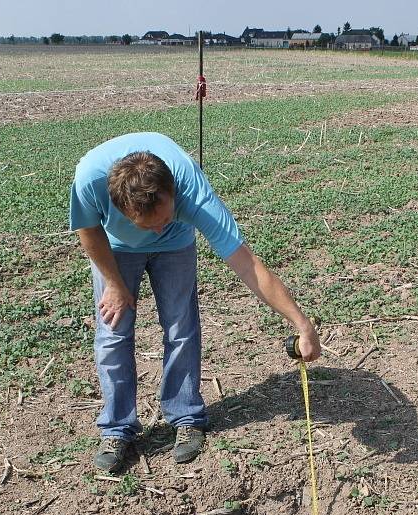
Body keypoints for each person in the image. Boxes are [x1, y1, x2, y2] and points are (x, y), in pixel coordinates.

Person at [70, 132, 320, 471]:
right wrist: (113, 282)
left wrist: (301, 323)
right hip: (116, 248)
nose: (155, 230)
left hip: (177, 247)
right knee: (112, 332)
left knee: (180, 326)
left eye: (163, 219)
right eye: (147, 224)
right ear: (119, 207)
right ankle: (117, 429)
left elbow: (248, 264)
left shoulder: (192, 190)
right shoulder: (89, 179)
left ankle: (186, 416)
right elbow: (88, 230)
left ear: (174, 194)